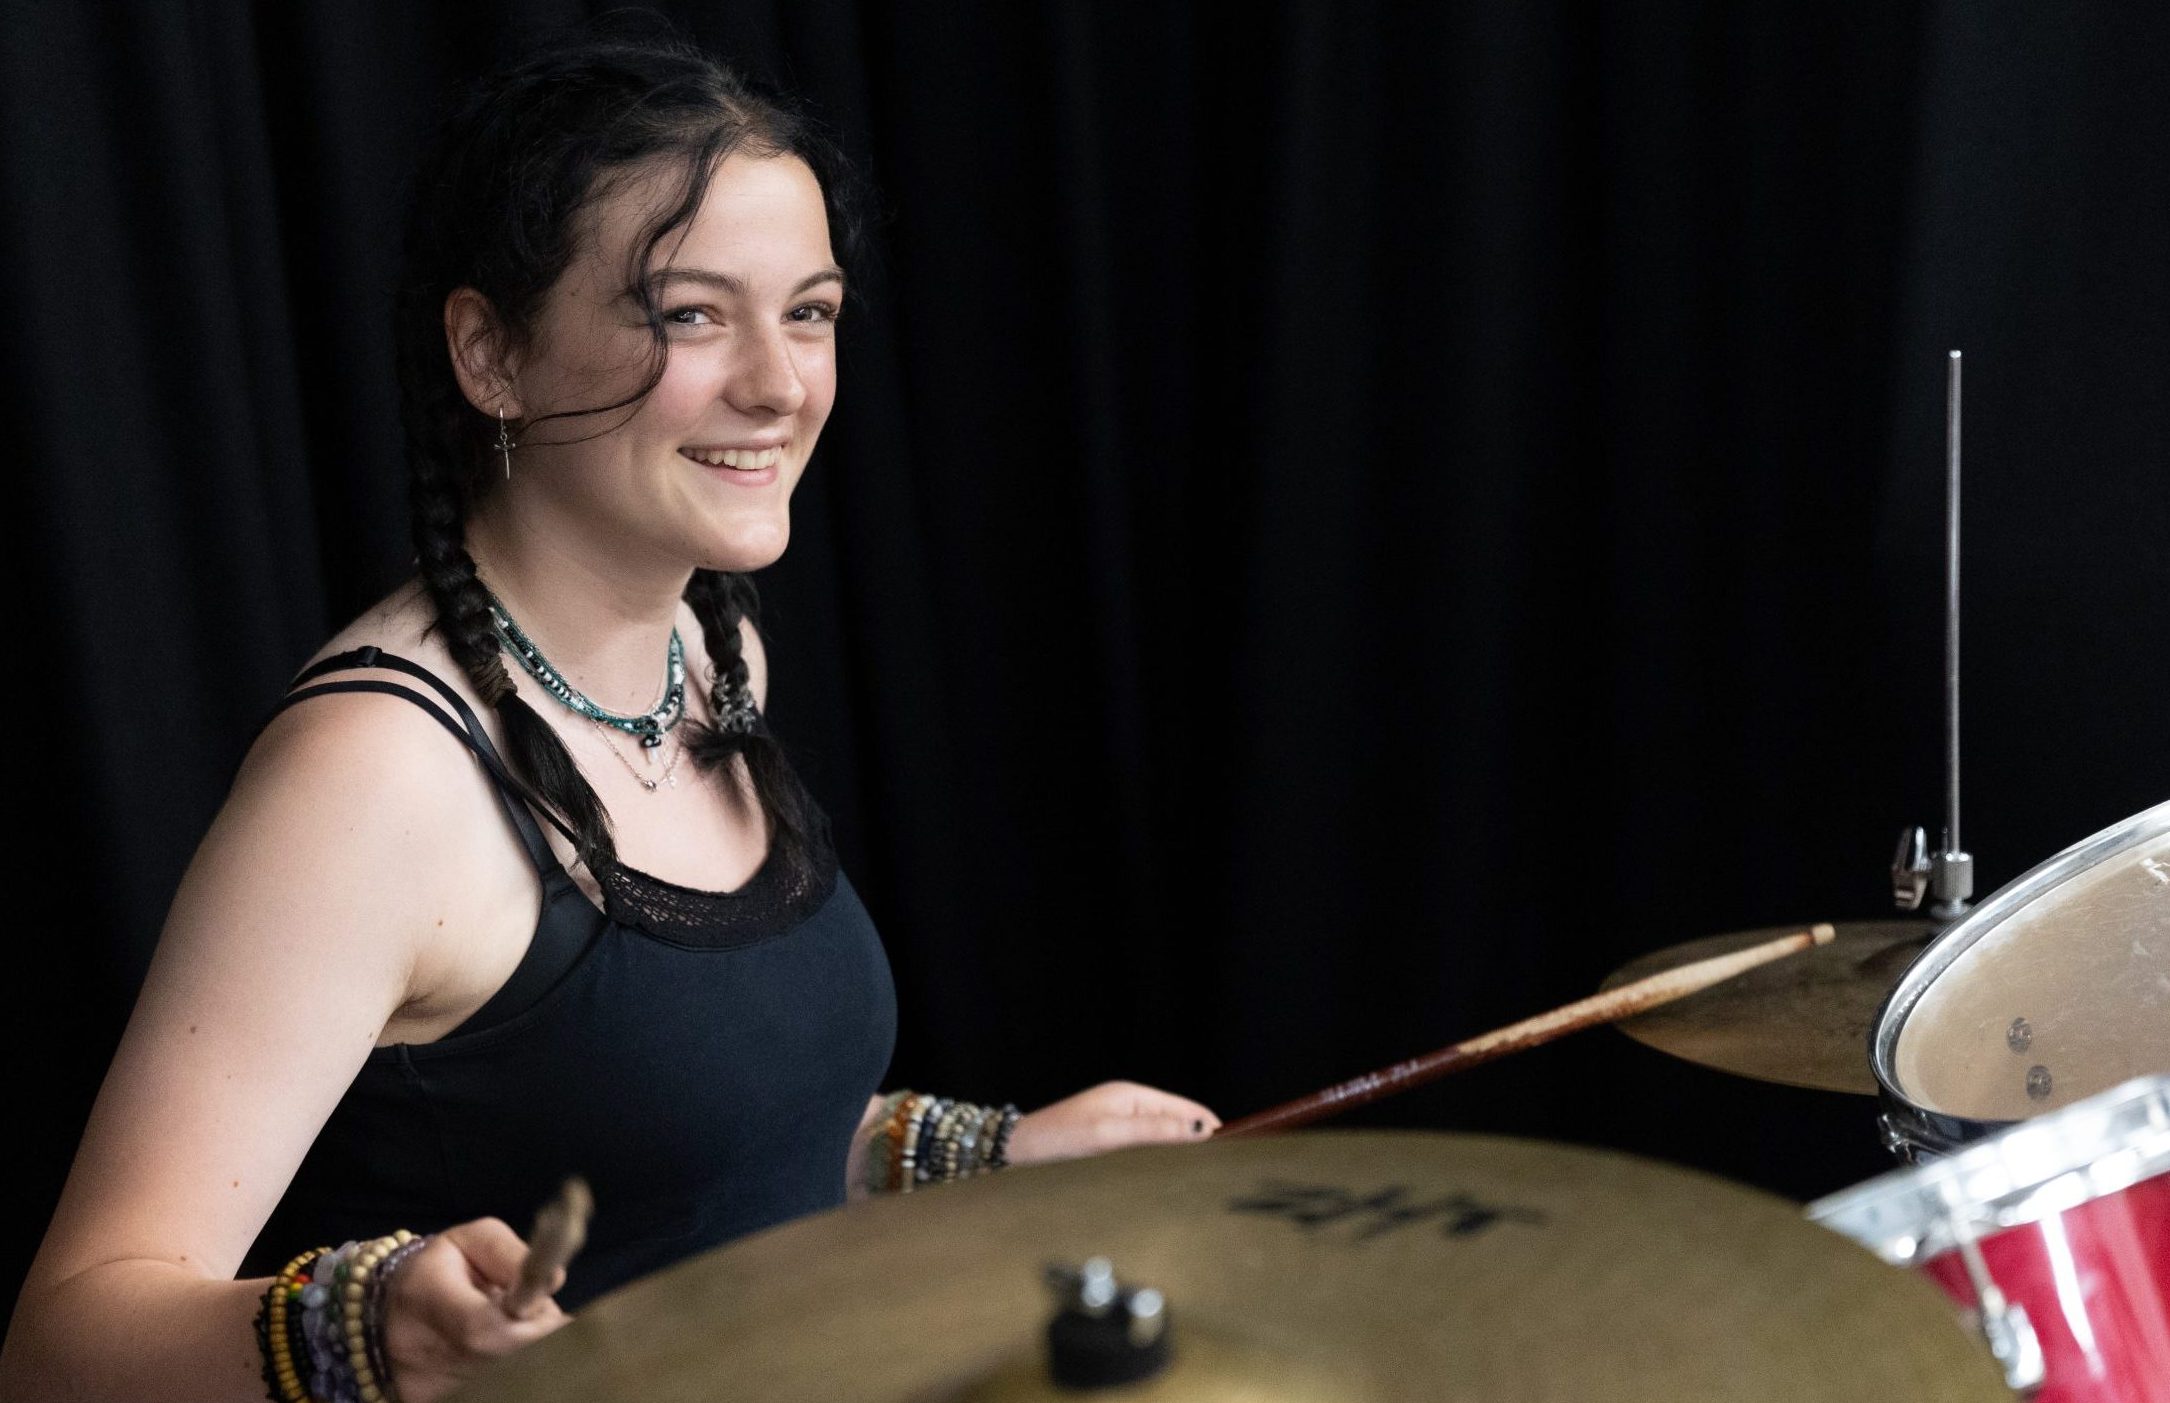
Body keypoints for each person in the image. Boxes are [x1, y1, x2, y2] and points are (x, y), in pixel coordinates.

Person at [0, 24, 1218, 1403]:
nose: (777, 383)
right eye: (689, 313)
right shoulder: (378, 780)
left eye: (807, 311)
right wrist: (360, 1324)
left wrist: (971, 1156)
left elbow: (679, 1146)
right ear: (492, 355)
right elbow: (64, 1344)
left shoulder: (716, 651)